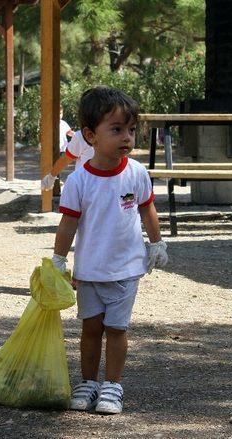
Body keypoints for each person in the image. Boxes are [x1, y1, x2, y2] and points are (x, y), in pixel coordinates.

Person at [50, 86, 169, 414]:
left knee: (117, 329)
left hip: (127, 269)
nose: (126, 138)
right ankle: (88, 382)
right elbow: (68, 225)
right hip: (89, 271)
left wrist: (157, 243)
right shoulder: (78, 182)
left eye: (131, 130)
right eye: (116, 130)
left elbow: (147, 210)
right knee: (90, 330)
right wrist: (59, 259)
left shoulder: (136, 173)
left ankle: (113, 386)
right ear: (90, 136)